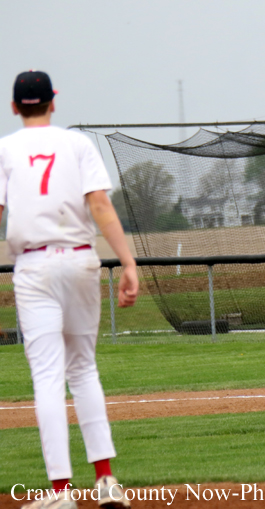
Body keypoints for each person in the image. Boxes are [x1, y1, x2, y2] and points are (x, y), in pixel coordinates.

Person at [1, 71, 138, 509]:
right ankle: (106, 480)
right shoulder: (77, 145)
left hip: (34, 265)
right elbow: (100, 205)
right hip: (80, 259)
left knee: (47, 377)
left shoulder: (5, 149)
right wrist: (129, 262)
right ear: (53, 103)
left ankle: (60, 492)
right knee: (83, 370)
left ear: (14, 106)